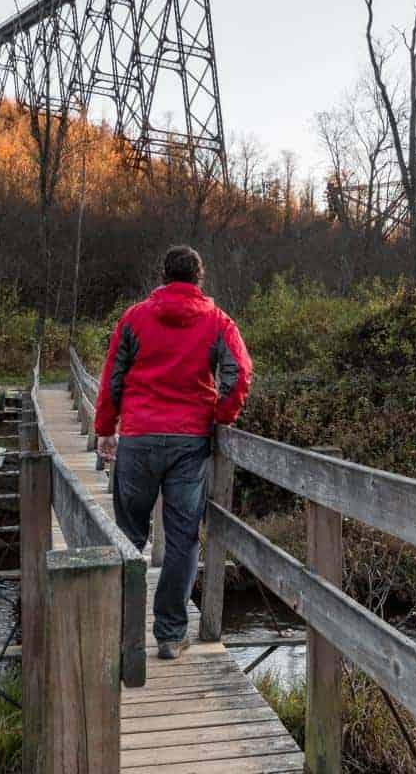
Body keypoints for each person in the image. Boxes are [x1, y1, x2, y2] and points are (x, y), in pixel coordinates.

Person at [94, 245, 252, 659]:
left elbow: (114, 375)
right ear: (199, 278)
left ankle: (125, 636)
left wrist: (106, 429)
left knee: (129, 536)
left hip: (140, 436)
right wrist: (221, 416)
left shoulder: (134, 317)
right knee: (182, 538)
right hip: (189, 441)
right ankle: (168, 634)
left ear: (164, 275)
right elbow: (238, 373)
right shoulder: (217, 321)